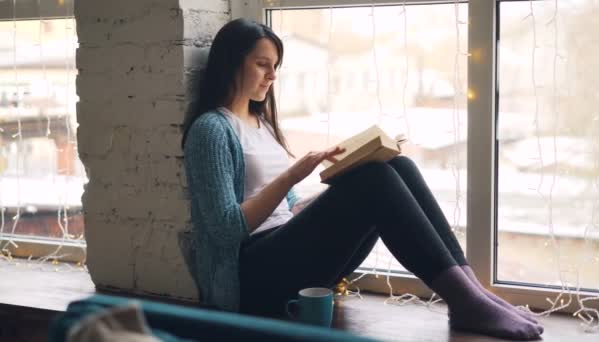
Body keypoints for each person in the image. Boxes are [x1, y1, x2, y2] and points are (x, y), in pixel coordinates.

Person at [182, 18, 544, 341]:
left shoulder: (263, 125)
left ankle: (471, 292)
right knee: (373, 179)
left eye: (275, 66)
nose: (272, 75)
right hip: (252, 277)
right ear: (231, 62)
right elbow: (225, 230)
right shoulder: (211, 130)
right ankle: (465, 301)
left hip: (285, 253)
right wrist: (295, 173)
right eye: (262, 64)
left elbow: (288, 207)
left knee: (397, 167)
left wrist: (338, 188)